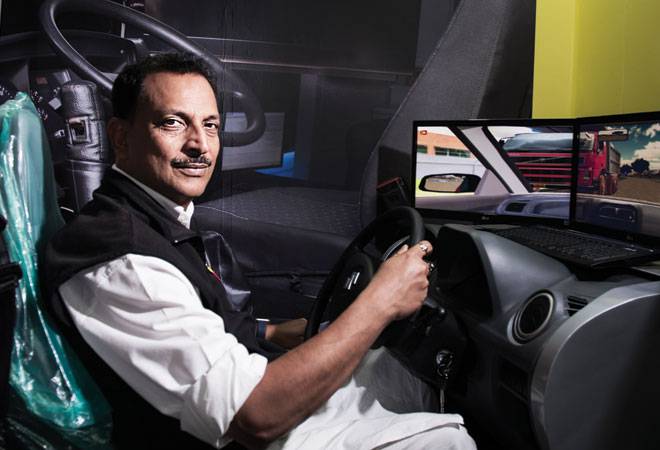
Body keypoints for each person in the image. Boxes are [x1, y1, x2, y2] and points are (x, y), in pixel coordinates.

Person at [43, 53, 475, 450]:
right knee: (449, 440)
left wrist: (273, 333)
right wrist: (381, 301)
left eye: (210, 125)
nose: (200, 145)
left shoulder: (155, 221)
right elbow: (256, 415)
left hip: (253, 391)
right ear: (120, 136)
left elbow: (198, 326)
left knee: (400, 368)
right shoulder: (124, 261)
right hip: (249, 431)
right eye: (173, 123)